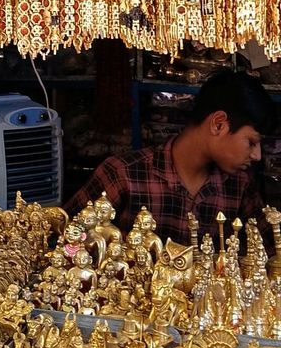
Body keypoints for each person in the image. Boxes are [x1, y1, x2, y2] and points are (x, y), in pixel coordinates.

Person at [64, 69, 277, 241]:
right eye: (251, 142)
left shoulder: (239, 185)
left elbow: (272, 249)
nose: (257, 155)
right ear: (218, 124)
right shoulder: (123, 174)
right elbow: (66, 236)